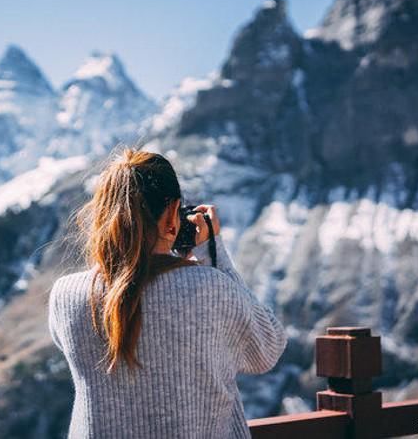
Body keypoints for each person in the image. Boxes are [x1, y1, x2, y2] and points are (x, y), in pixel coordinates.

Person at [47, 147, 287, 438]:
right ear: (173, 214)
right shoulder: (211, 288)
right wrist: (213, 254)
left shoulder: (65, 295)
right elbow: (267, 349)